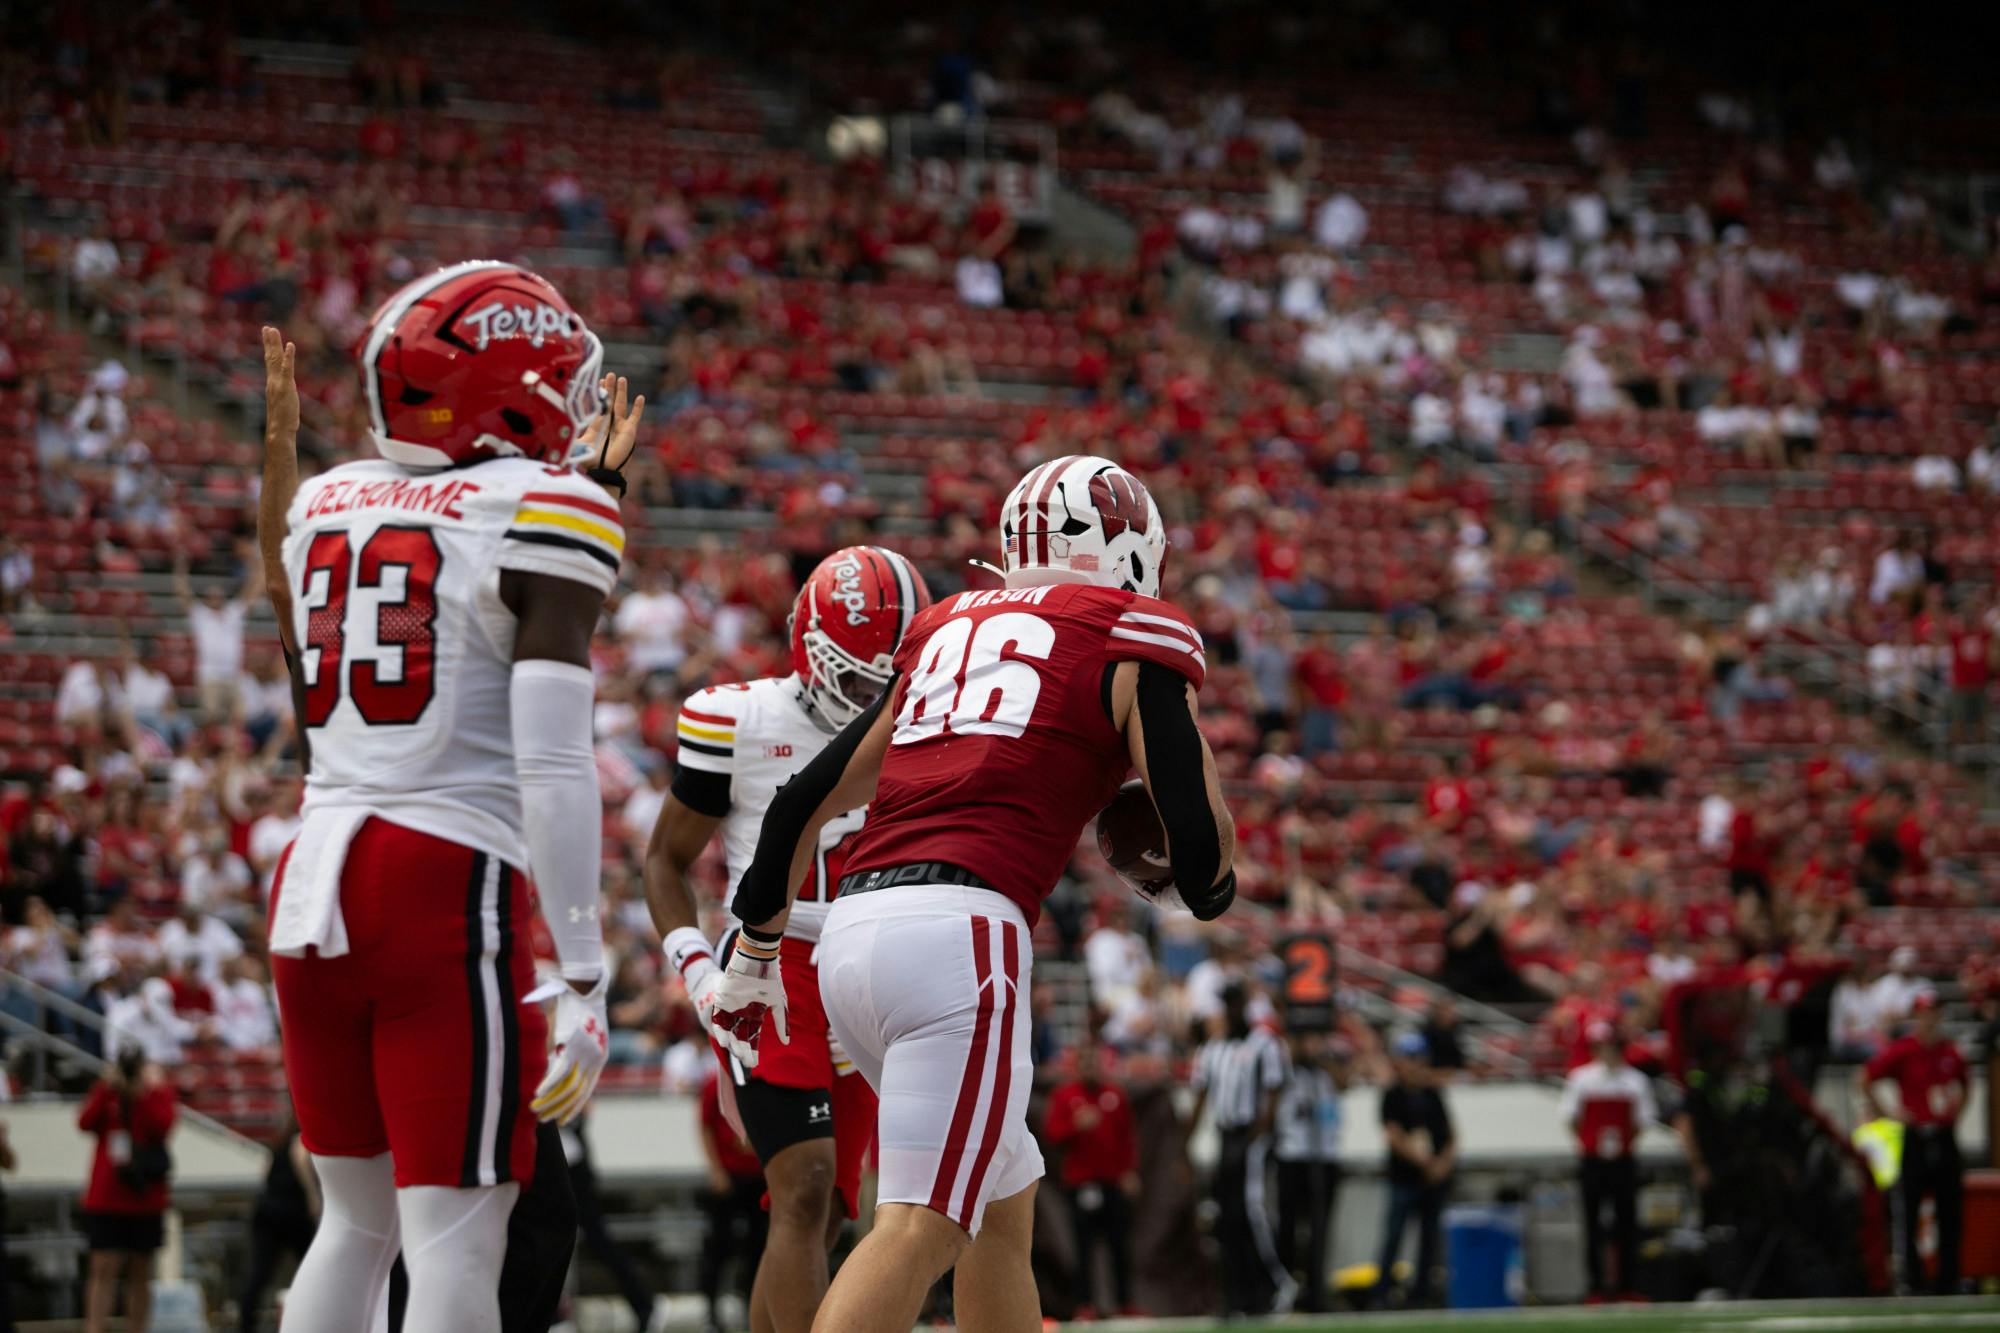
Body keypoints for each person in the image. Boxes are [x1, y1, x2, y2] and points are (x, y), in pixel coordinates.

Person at [709, 454, 1237, 1333]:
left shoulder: (943, 627)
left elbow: (801, 799)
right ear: (1132, 545)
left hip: (850, 937)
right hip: (962, 934)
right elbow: (1204, 873)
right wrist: (1210, 843)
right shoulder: (1134, 630)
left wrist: (756, 949)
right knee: (921, 1222)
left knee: (1003, 1202)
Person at [259, 262, 644, 1333]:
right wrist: (580, 968)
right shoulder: (542, 503)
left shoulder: (322, 500)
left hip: (312, 877)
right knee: (455, 1244)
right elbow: (553, 759)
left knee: (351, 1226)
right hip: (439, 879)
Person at [646, 545, 930, 1333]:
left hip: (872, 963)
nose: (876, 699)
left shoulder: (923, 720)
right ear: (809, 649)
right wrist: (699, 970)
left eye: (890, 681)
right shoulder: (737, 719)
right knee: (802, 1186)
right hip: (776, 969)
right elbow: (665, 859)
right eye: (858, 678)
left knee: (832, 1207)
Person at [1192, 985, 1294, 1314]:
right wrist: (1186, 1143)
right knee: (1226, 1217)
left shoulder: (1264, 1045)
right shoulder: (1212, 1049)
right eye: (1227, 1005)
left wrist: (1259, 1133)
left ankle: (1276, 1284)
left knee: (1252, 1211)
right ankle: (1236, 1295)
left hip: (1250, 1138)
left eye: (1236, 1004)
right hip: (1225, 1136)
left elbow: (1274, 1092)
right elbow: (1200, 1097)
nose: (1231, 1011)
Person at [1861, 991, 1968, 1294]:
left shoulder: (1949, 1051)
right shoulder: (1904, 1050)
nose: (1930, 1018)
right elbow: (1866, 1078)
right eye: (1924, 1012)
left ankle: (1949, 1277)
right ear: (1916, 1016)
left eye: (1934, 1012)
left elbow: (1965, 1085)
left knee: (1950, 1210)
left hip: (1943, 1136)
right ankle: (1913, 1278)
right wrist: (1891, 1114)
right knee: (1909, 1208)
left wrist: (1955, 1114)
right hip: (1915, 1136)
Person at [78, 1045, 176, 1333]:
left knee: (140, 1271)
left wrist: (142, 1095)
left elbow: (163, 1126)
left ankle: (138, 1328)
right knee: (102, 1269)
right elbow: (85, 1122)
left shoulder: (156, 1093)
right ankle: (94, 1327)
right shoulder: (108, 1091)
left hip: (144, 1196)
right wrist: (106, 1087)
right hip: (107, 1197)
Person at [1558, 1022, 1657, 1302]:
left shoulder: (1635, 1081)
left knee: (1627, 1223)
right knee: (1592, 1223)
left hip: (1623, 1159)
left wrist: (1622, 1145)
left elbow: (1643, 1121)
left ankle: (1627, 1284)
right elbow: (1570, 1117)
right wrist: (1590, 1144)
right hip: (1593, 1160)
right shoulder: (1582, 1079)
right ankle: (1595, 1286)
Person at [1043, 1043, 1139, 1318]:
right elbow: (1052, 1134)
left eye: (1094, 1062)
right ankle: (1085, 1305)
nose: (1090, 1068)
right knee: (1082, 1247)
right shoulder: (1065, 1096)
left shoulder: (1114, 1095)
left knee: (1119, 1245)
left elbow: (1127, 1137)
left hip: (1111, 1181)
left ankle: (1124, 1303)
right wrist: (1076, 1125)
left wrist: (1129, 1171)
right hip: (1080, 1182)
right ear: (1076, 1066)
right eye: (1084, 1063)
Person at [1374, 1031, 1454, 1309]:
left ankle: (1422, 1293)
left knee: (1429, 1239)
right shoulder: (1393, 1094)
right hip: (1404, 1178)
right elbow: (1394, 1135)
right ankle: (1382, 1292)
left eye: (1417, 1058)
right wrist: (1424, 1161)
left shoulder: (1432, 1093)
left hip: (1432, 1180)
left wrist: (1441, 1164)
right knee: (1394, 1236)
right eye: (1409, 1058)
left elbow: (1450, 1135)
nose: (1414, 1064)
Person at [1272, 1032, 1346, 1314]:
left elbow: (1345, 1083)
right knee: (1288, 1226)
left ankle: (1316, 1291)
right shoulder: (1288, 1070)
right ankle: (1284, 1288)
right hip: (1293, 1155)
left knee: (1320, 1228)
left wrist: (1324, 1060)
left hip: (1324, 1156)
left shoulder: (1326, 1073)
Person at [698, 1070, 768, 1333]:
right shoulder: (714, 1084)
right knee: (718, 1246)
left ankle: (753, 1310)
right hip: (729, 1177)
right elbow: (705, 1126)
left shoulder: (762, 1080)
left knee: (758, 1248)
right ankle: (711, 1312)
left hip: (759, 1177)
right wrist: (715, 1170)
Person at [238, 1116, 320, 1333]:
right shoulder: (299, 1140)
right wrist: (314, 1198)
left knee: (258, 1275)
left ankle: (246, 1326)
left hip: (267, 1211)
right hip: (292, 1213)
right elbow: (301, 1159)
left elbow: (264, 1173)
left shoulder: (278, 1141)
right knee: (310, 1272)